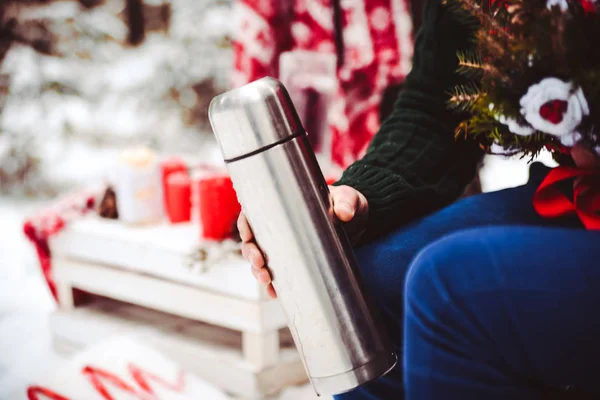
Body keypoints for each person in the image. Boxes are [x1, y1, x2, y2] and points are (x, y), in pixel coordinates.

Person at [237, 0, 600, 398]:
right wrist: (356, 196)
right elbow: (441, 99)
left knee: (449, 287)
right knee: (357, 284)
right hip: (578, 191)